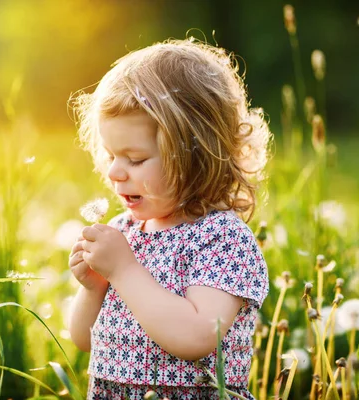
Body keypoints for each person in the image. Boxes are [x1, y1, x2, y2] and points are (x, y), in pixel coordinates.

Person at [67, 38, 271, 399]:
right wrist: (94, 288)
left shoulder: (221, 239)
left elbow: (195, 337)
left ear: (195, 154)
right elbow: (83, 339)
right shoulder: (122, 233)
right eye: (111, 155)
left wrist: (124, 271)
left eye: (135, 158)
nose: (114, 172)